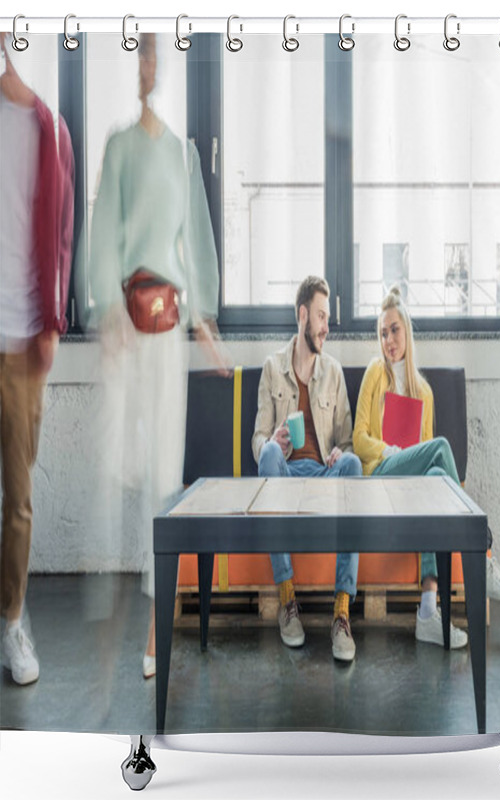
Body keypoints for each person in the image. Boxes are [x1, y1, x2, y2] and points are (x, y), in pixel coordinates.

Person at [75, 33, 228, 679]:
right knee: (121, 465)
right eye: (136, 54)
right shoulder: (116, 148)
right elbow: (104, 230)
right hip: (124, 324)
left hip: (167, 333)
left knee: (164, 477)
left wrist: (202, 319)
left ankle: (151, 624)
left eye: (153, 55)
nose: (145, 66)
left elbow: (194, 235)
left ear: (161, 67)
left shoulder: (181, 154)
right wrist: (105, 310)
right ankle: (103, 609)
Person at [354, 286, 500, 649]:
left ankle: (428, 611)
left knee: (433, 480)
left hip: (411, 488)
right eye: (383, 333)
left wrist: (412, 454)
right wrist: (393, 450)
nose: (388, 340)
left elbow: (431, 465)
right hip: (379, 477)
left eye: (394, 330)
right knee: (441, 447)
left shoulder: (424, 393)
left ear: (407, 331)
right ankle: (483, 548)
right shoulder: (374, 373)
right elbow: (359, 439)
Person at [0, 33, 74, 685]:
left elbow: (63, 233)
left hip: (22, 345)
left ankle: (12, 620)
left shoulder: (43, 126)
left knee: (19, 499)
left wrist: (53, 321)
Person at [252, 276, 361, 663]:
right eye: (319, 316)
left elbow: (346, 443)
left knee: (353, 463)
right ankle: (287, 600)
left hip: (321, 476)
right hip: (283, 475)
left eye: (327, 318)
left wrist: (336, 454)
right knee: (266, 455)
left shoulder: (333, 372)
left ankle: (342, 612)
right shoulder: (271, 368)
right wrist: (273, 441)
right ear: (302, 315)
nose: (325, 326)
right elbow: (258, 440)